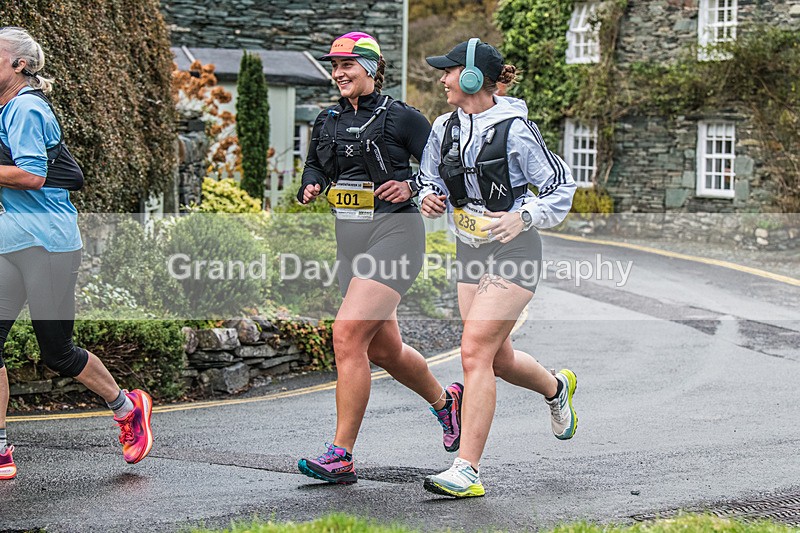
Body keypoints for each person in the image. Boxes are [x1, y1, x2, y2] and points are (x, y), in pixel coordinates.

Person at [295, 31, 462, 484]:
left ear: (370, 68)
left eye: (347, 65)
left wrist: (412, 186)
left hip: (395, 234)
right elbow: (316, 164)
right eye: (335, 66)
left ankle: (341, 455)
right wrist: (311, 183)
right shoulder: (327, 120)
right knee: (386, 350)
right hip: (350, 243)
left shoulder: (403, 118)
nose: (338, 73)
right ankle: (447, 402)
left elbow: (445, 168)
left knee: (347, 335)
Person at [417, 38, 579, 497]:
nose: (442, 79)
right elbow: (428, 176)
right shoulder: (444, 126)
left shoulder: (517, 130)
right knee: (497, 359)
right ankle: (555, 388)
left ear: (471, 78)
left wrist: (523, 215)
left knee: (473, 352)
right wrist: (428, 196)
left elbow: (561, 187)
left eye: (449, 71)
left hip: (515, 250)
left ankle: (466, 470)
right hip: (470, 250)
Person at [0, 27, 153, 480]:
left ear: (19, 65)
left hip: (48, 244)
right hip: (9, 243)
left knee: (58, 353)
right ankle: (1, 449)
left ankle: (127, 408)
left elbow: (31, 176)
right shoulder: (5, 108)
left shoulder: (27, 107)